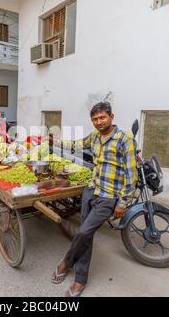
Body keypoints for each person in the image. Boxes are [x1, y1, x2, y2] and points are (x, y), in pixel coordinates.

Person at [51, 102, 138, 297]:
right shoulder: (95, 137)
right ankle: (80, 279)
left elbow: (132, 175)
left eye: (102, 118)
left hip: (108, 197)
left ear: (111, 117)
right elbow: (77, 144)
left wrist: (123, 203)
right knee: (87, 236)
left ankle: (65, 263)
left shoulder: (125, 139)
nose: (99, 122)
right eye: (95, 119)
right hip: (91, 191)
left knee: (82, 232)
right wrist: (54, 142)